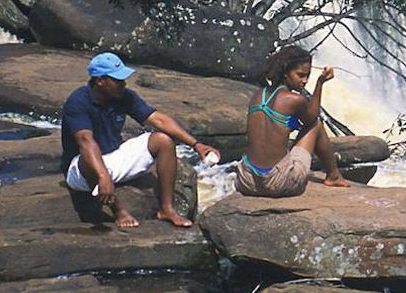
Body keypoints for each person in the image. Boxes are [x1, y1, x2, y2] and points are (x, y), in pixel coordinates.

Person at [61, 52, 219, 228]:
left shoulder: (124, 96)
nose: (123, 84)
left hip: (114, 155)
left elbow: (159, 120)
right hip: (81, 168)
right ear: (100, 81)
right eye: (117, 80)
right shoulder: (78, 102)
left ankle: (167, 209)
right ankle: (119, 211)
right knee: (87, 159)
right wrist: (103, 175)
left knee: (163, 140)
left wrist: (196, 145)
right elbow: (85, 141)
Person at [236, 44, 351, 197]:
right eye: (301, 75)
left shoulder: (258, 94)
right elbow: (312, 118)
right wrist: (320, 83)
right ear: (285, 71)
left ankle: (333, 176)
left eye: (308, 76)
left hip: (246, 181)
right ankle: (333, 176)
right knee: (316, 125)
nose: (305, 81)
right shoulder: (295, 99)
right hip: (276, 183)